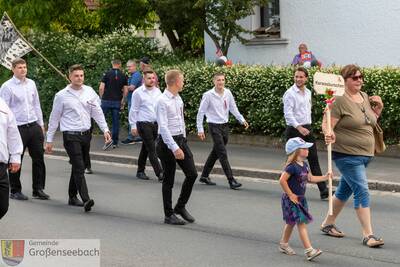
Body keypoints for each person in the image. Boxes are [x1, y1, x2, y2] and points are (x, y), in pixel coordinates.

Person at [321, 64, 385, 248]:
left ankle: (327, 224)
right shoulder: (338, 100)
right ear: (345, 80)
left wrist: (378, 110)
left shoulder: (364, 97)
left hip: (365, 155)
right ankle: (368, 235)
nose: (359, 80)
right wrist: (328, 132)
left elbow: (367, 122)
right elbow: (326, 123)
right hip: (346, 155)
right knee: (362, 190)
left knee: (344, 190)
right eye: (354, 77)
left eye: (360, 76)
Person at [45, 64, 112, 212]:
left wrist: (105, 129)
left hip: (85, 135)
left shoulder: (89, 91)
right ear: (70, 77)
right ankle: (86, 199)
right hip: (70, 135)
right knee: (80, 166)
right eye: (76, 75)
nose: (79, 78)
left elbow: (97, 112)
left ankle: (72, 196)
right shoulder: (61, 95)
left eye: (81, 75)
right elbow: (54, 118)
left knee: (77, 166)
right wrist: (49, 140)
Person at [0, 58, 49, 200]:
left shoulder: (31, 84)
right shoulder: (7, 87)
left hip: (33, 125)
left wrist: (41, 125)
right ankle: (15, 190)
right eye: (20, 67)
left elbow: (36, 105)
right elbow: (4, 110)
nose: (23, 70)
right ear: (13, 69)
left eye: (25, 67)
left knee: (39, 158)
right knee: (16, 159)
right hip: (17, 127)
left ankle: (38, 189)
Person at [156, 69, 198, 225]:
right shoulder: (162, 101)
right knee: (169, 180)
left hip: (180, 140)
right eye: (182, 80)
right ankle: (168, 215)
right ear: (174, 82)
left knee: (192, 174)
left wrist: (183, 141)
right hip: (166, 144)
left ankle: (180, 207)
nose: (184, 82)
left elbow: (180, 121)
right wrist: (174, 148)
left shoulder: (178, 98)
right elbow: (164, 127)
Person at [279, 137, 330, 261]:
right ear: (296, 151)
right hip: (292, 199)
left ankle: (283, 244)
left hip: (301, 199)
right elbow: (282, 180)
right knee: (301, 223)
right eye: (304, 148)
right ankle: (309, 250)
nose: (308, 150)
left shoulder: (305, 165)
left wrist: (325, 177)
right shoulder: (291, 167)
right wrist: (290, 195)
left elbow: (310, 178)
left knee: (291, 222)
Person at [283, 67, 329, 200]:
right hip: (294, 129)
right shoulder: (290, 93)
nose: (298, 79)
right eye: (296, 76)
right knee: (292, 161)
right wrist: (299, 127)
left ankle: (323, 190)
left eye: (301, 77)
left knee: (313, 158)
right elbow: (288, 115)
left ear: (306, 78)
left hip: (307, 128)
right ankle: (287, 187)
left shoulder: (308, 92)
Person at [197, 73, 249, 189]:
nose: (221, 82)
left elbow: (233, 107)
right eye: (218, 80)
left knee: (216, 152)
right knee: (222, 153)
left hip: (224, 126)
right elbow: (201, 112)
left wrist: (242, 119)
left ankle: (204, 175)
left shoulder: (228, 93)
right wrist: (200, 129)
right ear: (214, 81)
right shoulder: (208, 95)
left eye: (222, 80)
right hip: (213, 126)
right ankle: (231, 180)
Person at [129, 70, 163, 181]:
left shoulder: (158, 91)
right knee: (152, 149)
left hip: (155, 124)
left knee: (146, 148)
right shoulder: (138, 92)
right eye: (149, 78)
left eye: (153, 78)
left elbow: (161, 109)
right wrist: (133, 126)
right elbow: (134, 110)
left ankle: (140, 171)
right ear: (144, 79)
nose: (152, 80)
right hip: (143, 124)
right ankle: (160, 174)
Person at [0, 98, 23, 220]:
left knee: (3, 206)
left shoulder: (2, 105)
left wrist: (15, 156)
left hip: (1, 165)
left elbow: (12, 131)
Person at [99, 59, 128, 149]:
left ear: (112, 64)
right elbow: (126, 90)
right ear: (119, 64)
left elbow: (101, 88)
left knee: (101, 120)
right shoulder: (123, 75)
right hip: (117, 101)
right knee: (116, 122)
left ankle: (107, 138)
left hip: (106, 101)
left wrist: (101, 98)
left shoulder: (106, 74)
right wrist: (123, 100)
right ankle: (115, 142)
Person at [121, 59, 143, 145]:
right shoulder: (132, 75)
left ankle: (132, 137)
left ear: (134, 66)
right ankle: (136, 137)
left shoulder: (136, 75)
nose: (128, 68)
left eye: (129, 66)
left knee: (132, 118)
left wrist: (121, 87)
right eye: (127, 67)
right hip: (132, 100)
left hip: (134, 101)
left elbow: (132, 87)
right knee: (134, 118)